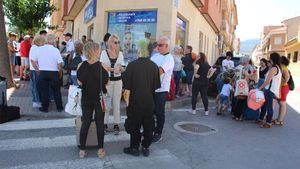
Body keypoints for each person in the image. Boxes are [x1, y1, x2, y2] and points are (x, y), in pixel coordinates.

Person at [122, 39, 161, 157]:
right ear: (149, 51)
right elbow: (155, 87)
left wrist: (127, 102)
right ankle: (145, 147)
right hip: (149, 102)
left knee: (135, 125)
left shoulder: (132, 65)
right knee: (148, 125)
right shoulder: (154, 66)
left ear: (139, 50)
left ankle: (134, 147)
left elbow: (126, 88)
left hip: (135, 102)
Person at [77, 42, 108, 159]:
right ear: (95, 51)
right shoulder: (102, 66)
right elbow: (107, 82)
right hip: (99, 98)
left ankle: (82, 150)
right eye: (99, 50)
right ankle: (100, 149)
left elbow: (79, 82)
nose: (100, 51)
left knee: (86, 122)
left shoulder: (81, 65)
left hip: (86, 97)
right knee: (100, 123)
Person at [31, 34, 64, 113]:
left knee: (44, 91)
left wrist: (37, 70)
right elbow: (60, 64)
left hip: (42, 72)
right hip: (54, 72)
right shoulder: (55, 50)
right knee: (56, 90)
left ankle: (45, 108)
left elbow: (33, 61)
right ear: (53, 41)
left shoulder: (39, 49)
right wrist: (60, 72)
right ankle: (59, 107)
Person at [150, 36, 174, 143]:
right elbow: (148, 68)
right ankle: (150, 129)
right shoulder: (155, 56)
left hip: (161, 90)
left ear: (167, 46)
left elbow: (159, 71)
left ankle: (158, 133)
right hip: (151, 88)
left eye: (160, 45)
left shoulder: (169, 58)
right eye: (157, 44)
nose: (157, 47)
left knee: (159, 112)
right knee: (150, 111)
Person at [100, 34, 125, 134]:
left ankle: (116, 124)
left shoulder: (120, 54)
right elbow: (102, 66)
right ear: (110, 43)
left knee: (116, 103)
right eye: (115, 42)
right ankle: (104, 123)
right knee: (106, 103)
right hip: (108, 81)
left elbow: (123, 67)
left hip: (118, 81)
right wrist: (113, 69)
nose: (117, 44)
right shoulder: (103, 53)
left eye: (118, 42)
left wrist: (121, 68)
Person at [258, 52, 282, 128]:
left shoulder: (274, 68)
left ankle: (268, 123)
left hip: (269, 90)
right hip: (270, 89)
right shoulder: (276, 67)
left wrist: (260, 87)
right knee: (265, 106)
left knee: (269, 107)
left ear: (272, 59)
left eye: (270, 58)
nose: (268, 59)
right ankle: (262, 119)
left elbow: (268, 81)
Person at [232, 56, 253, 120]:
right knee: (241, 101)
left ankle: (235, 114)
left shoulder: (237, 67)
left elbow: (234, 77)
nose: (248, 63)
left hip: (237, 85)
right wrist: (252, 73)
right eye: (248, 62)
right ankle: (238, 116)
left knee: (237, 101)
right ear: (245, 62)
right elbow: (247, 76)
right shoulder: (244, 68)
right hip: (242, 86)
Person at [273, 56, 290, 126]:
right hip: (281, 87)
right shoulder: (282, 67)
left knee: (282, 104)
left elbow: (287, 79)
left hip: (283, 88)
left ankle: (280, 120)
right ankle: (278, 119)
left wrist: (279, 86)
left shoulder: (284, 68)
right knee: (280, 104)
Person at [29, 35, 46, 108]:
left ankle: (37, 101)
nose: (43, 44)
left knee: (36, 86)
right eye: (43, 42)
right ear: (38, 42)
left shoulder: (34, 48)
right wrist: (38, 70)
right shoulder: (35, 48)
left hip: (34, 69)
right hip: (35, 70)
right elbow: (33, 61)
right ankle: (37, 101)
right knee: (36, 86)